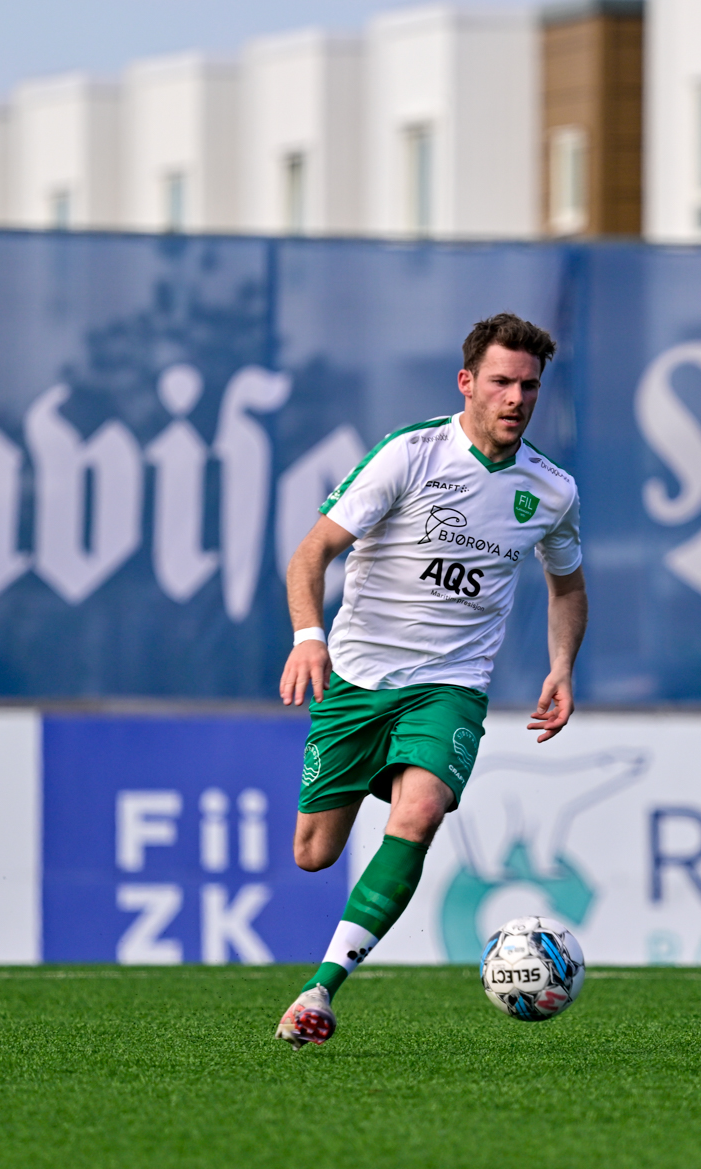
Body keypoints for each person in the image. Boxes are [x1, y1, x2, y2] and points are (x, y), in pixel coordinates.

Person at [273, 312, 587, 1047]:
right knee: (314, 854)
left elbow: (568, 587)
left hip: (450, 685)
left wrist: (562, 667)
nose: (516, 398)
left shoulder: (551, 489)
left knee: (417, 816)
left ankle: (321, 989)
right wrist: (308, 637)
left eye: (530, 386)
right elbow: (311, 552)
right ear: (467, 383)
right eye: (502, 382)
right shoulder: (409, 455)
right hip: (356, 678)